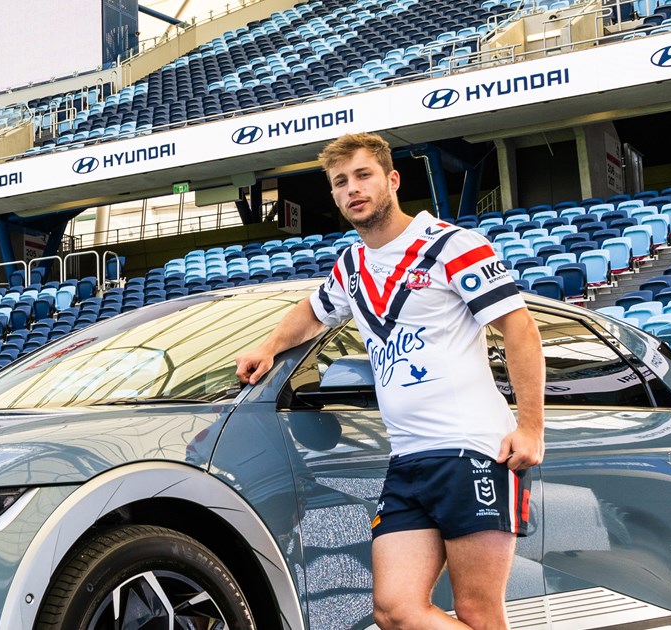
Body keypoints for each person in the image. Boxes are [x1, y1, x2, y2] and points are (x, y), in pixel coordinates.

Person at [234, 133, 545, 630]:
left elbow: (520, 327)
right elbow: (313, 312)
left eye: (363, 175)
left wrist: (531, 426)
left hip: (473, 450)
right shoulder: (352, 266)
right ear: (334, 196)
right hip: (407, 461)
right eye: (340, 182)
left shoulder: (450, 245)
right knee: (394, 610)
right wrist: (268, 346)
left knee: (477, 612)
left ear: (391, 180)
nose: (352, 189)